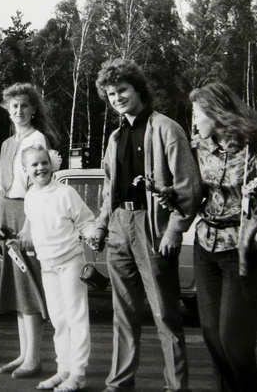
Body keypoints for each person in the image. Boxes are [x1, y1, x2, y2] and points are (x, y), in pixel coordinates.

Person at [92, 58, 201, 392]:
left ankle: (176, 387)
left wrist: (174, 230)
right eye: (111, 94)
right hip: (119, 226)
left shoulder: (166, 128)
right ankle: (119, 383)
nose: (117, 98)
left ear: (138, 88)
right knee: (123, 314)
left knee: (165, 315)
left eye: (122, 90)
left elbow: (189, 187)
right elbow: (108, 188)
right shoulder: (115, 137)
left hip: (152, 228)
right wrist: (102, 225)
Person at [189, 82, 257, 392]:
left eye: (197, 114)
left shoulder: (255, 148)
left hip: (240, 249)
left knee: (233, 339)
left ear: (216, 114)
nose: (193, 121)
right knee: (211, 335)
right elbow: (193, 190)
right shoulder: (199, 147)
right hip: (205, 245)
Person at [0, 82, 55, 378]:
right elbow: (1, 187)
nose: (18, 111)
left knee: (28, 285)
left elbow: (37, 186)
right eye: (13, 106)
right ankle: (23, 353)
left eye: (24, 106)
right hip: (6, 214)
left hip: (26, 215)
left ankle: (34, 358)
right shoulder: (7, 143)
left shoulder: (37, 139)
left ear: (33, 110)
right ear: (7, 110)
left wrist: (28, 227)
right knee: (16, 287)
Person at [20, 145, 96, 392]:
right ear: (25, 170)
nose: (40, 168)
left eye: (44, 162)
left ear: (51, 164)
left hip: (71, 262)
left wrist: (95, 236)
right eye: (34, 164)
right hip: (47, 265)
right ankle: (63, 369)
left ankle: (78, 374)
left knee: (76, 318)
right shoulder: (30, 195)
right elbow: (33, 228)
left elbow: (86, 222)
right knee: (59, 320)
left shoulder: (66, 192)